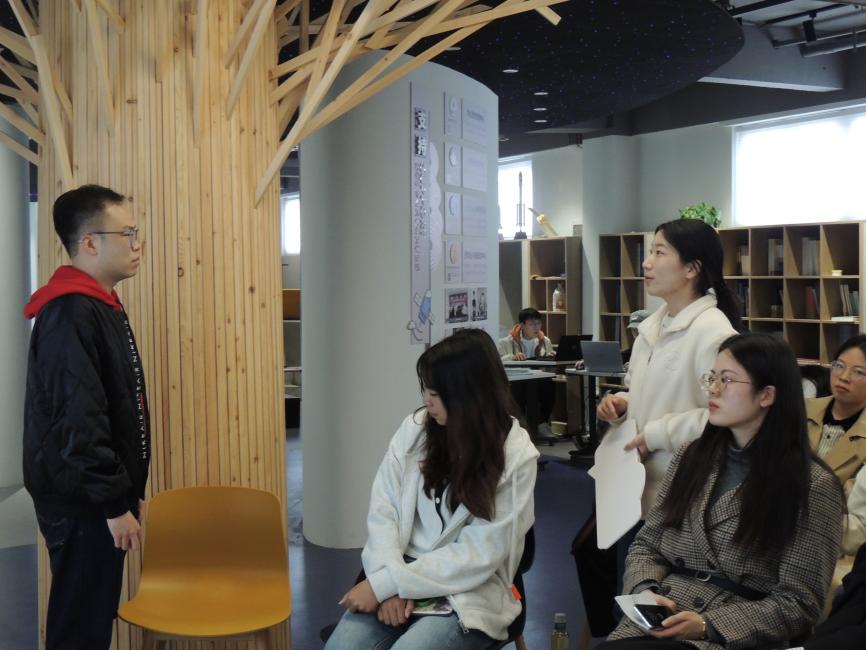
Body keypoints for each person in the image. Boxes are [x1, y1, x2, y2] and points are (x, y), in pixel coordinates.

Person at [599, 333, 845, 649]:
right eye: (712, 378)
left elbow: (799, 602)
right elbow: (647, 544)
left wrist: (707, 625)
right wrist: (645, 591)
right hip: (664, 614)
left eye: (727, 380)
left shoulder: (811, 485)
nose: (713, 390)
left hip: (731, 633)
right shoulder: (692, 456)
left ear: (767, 395)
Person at [325, 329, 539, 649]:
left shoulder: (515, 454)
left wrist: (390, 583)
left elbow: (480, 554)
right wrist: (388, 585)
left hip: (468, 589)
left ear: (469, 395)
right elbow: (384, 512)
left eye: (436, 394)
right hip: (399, 570)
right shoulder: (414, 431)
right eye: (426, 389)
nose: (426, 401)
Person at [23, 185, 150, 650]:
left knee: (89, 621)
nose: (137, 243)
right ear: (90, 242)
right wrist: (113, 504)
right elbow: (80, 420)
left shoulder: (97, 304)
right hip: (84, 504)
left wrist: (127, 493)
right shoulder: (70, 312)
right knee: (79, 630)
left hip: (95, 498)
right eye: (128, 233)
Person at [806, 334, 866, 556]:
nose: (844, 377)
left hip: (834, 544)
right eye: (839, 366)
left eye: (858, 372)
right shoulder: (801, 410)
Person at [498, 307, 556, 437]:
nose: (536, 327)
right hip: (517, 380)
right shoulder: (506, 342)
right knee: (519, 389)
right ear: (522, 325)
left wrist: (550, 358)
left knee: (550, 385)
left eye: (538, 323)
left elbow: (551, 369)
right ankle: (520, 426)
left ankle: (542, 423)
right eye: (531, 324)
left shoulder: (545, 341)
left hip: (539, 380)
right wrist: (512, 357)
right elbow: (498, 362)